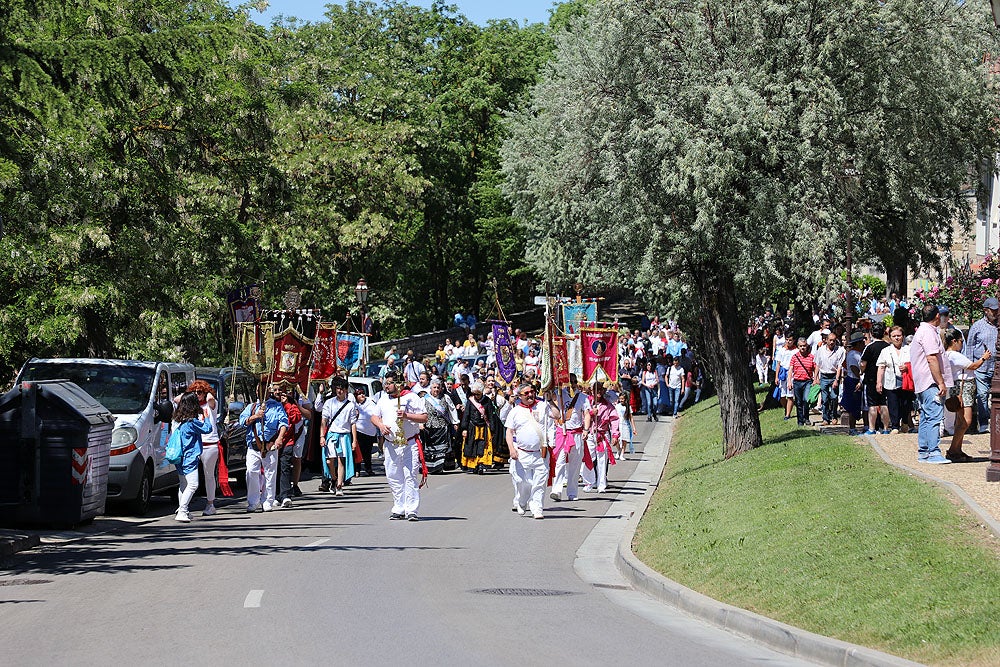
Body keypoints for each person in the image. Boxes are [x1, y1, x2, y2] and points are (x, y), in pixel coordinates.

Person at [370, 372, 428, 520]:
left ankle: (411, 510)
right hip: (391, 445)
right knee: (393, 476)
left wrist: (407, 415)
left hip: (409, 443)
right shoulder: (383, 399)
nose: (386, 386)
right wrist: (381, 426)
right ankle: (399, 507)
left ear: (398, 383)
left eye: (389, 383)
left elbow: (424, 417)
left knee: (410, 476)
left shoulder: (411, 397)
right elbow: (374, 416)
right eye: (385, 383)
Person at [910, 303, 954, 464]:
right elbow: (931, 358)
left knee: (926, 417)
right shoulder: (927, 333)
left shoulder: (922, 332)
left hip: (924, 382)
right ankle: (933, 452)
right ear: (937, 316)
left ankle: (924, 451)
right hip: (931, 382)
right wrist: (940, 382)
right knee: (934, 416)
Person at [506, 383, 555, 519]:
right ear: (520, 396)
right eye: (526, 393)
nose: (530, 395)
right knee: (523, 482)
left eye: (532, 392)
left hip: (541, 453)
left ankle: (537, 508)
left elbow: (557, 415)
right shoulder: (515, 411)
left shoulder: (542, 405)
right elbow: (509, 432)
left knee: (539, 483)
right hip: (522, 453)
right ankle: (522, 501)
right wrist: (511, 449)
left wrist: (550, 400)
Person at [239, 384, 289, 512]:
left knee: (270, 473)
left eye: (263, 390)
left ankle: (267, 500)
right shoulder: (252, 407)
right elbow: (242, 421)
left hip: (270, 444)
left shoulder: (276, 406)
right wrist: (255, 416)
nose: (260, 392)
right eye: (258, 390)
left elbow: (283, 422)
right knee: (251, 472)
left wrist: (279, 438)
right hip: (254, 445)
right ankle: (253, 501)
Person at [944, 328, 991, 462]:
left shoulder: (948, 355)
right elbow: (973, 366)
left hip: (959, 387)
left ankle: (957, 450)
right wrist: (984, 357)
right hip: (963, 388)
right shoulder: (954, 355)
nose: (961, 344)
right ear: (954, 341)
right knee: (966, 421)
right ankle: (953, 450)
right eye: (960, 341)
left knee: (960, 421)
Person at [186, 380, 230, 516]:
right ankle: (184, 505)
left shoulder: (211, 405)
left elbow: (211, 398)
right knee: (188, 477)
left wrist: (206, 393)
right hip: (194, 445)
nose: (197, 395)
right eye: (194, 392)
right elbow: (177, 399)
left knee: (209, 475)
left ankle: (210, 504)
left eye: (200, 392)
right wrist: (190, 395)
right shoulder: (190, 407)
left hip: (209, 445)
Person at [171, 392, 212, 522]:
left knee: (183, 484)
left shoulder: (177, 420)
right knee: (193, 484)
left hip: (179, 456)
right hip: (189, 456)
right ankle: (182, 510)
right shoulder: (191, 422)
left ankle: (183, 509)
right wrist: (205, 417)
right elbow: (207, 429)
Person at [549, 374, 591, 501]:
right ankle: (556, 490)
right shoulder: (559, 394)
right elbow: (551, 400)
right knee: (560, 462)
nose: (571, 384)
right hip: (562, 434)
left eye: (573, 382)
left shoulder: (582, 397)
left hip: (577, 434)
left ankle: (572, 492)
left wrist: (586, 429)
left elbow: (587, 414)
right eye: (569, 382)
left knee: (575, 464)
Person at [320, 377, 358, 496]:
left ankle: (339, 485)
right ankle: (334, 478)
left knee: (341, 460)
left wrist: (354, 440)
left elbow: (353, 424)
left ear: (346, 390)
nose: (339, 391)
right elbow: (324, 421)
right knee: (329, 460)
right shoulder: (329, 402)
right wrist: (322, 436)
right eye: (337, 389)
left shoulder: (350, 405)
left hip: (344, 435)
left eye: (342, 389)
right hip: (331, 434)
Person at [966, 296, 999, 434]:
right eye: (993, 310)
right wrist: (970, 365)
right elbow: (970, 346)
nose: (996, 313)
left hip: (996, 367)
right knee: (982, 395)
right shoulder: (977, 326)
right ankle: (984, 423)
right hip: (981, 367)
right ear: (986, 310)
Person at [581, 381, 619, 493]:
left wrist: (615, 434)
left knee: (602, 459)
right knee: (588, 458)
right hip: (589, 434)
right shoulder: (587, 402)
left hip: (602, 434)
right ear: (592, 390)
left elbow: (614, 419)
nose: (599, 392)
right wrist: (591, 413)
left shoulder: (608, 405)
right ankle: (588, 482)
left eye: (601, 390)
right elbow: (582, 416)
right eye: (596, 390)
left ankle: (601, 484)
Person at [875, 326, 910, 434]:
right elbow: (881, 367)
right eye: (894, 336)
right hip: (891, 381)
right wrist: (879, 382)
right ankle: (895, 425)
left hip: (906, 381)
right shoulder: (886, 351)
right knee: (893, 403)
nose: (896, 338)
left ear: (903, 337)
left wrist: (907, 367)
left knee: (905, 403)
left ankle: (905, 421)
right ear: (890, 337)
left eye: (898, 336)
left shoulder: (908, 349)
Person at [459, 380, 498, 474]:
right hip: (472, 427)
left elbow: (490, 416)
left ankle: (481, 464)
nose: (476, 396)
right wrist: (464, 428)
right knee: (472, 446)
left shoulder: (487, 401)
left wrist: (492, 429)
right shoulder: (470, 401)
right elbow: (466, 415)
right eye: (475, 394)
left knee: (482, 446)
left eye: (478, 394)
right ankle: (473, 465)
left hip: (484, 427)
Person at [859, 322, 890, 434]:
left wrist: (861, 372)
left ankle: (872, 428)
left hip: (871, 379)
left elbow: (863, 363)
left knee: (872, 404)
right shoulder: (888, 347)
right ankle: (886, 428)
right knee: (884, 404)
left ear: (872, 333)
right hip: (886, 379)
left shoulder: (869, 347)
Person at [421, 378, 456, 473]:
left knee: (442, 448)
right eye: (434, 387)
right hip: (429, 427)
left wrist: (455, 422)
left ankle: (439, 467)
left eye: (438, 387)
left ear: (441, 388)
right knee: (431, 449)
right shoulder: (424, 399)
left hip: (442, 426)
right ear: (430, 388)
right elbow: (420, 412)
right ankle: (431, 467)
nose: (436, 389)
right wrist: (420, 424)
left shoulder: (446, 397)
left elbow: (452, 410)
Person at [276, 388, 303, 508]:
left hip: (287, 441)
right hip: (273, 442)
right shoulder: (271, 404)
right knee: (273, 469)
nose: (280, 394)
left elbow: (296, 418)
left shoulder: (291, 405)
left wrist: (286, 404)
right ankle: (276, 495)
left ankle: (285, 495)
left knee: (285, 467)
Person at [814, 332, 844, 426]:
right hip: (824, 376)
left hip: (833, 375)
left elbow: (839, 367)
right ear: (826, 340)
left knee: (834, 397)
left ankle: (834, 416)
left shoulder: (839, 350)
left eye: (834, 341)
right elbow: (817, 364)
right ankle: (825, 418)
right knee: (825, 398)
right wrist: (816, 378)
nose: (832, 342)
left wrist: (837, 379)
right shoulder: (821, 350)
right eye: (830, 340)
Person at [787, 338, 816, 427]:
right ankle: (800, 420)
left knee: (806, 400)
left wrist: (815, 379)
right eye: (801, 346)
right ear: (798, 346)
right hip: (797, 382)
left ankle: (806, 418)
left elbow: (815, 368)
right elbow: (790, 369)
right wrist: (789, 381)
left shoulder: (811, 357)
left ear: (807, 346)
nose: (803, 348)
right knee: (799, 402)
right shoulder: (794, 357)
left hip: (807, 381)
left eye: (804, 346)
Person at [841, 332, 865, 434]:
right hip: (853, 380)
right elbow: (853, 368)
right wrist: (860, 378)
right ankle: (852, 428)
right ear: (858, 343)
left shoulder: (858, 353)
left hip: (854, 380)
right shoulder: (853, 354)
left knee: (857, 404)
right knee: (852, 405)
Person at [615, 392, 636, 459]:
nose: (621, 400)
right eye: (620, 398)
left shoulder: (628, 407)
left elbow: (631, 418)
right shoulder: (617, 406)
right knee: (617, 439)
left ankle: (622, 454)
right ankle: (619, 450)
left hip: (625, 424)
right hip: (618, 424)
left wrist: (634, 428)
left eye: (622, 399)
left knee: (624, 440)